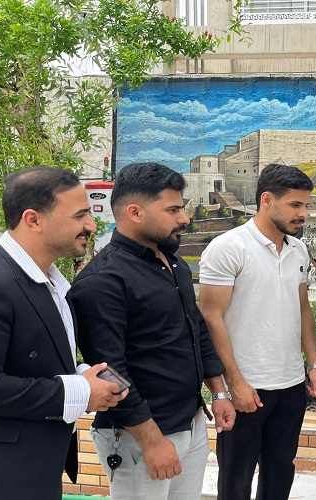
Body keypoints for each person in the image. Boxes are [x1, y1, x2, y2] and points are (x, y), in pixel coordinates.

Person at [0, 166, 126, 500]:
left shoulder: (49, 283)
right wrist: (79, 390)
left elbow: (29, 358)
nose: (91, 226)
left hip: (36, 467)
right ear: (33, 220)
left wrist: (82, 374)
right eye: (79, 215)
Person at [69, 162, 236, 500]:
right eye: (173, 210)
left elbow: (196, 332)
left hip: (190, 423)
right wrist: (152, 441)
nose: (184, 218)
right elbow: (110, 373)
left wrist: (218, 393)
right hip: (140, 436)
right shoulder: (103, 282)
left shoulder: (173, 263)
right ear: (135, 212)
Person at [199, 163, 316, 500]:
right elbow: (211, 317)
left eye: (306, 205)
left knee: (280, 472)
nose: (303, 214)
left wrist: (313, 363)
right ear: (267, 200)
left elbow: (303, 308)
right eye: (295, 205)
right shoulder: (229, 247)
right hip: (247, 387)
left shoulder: (298, 249)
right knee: (236, 481)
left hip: (290, 386)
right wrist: (234, 383)